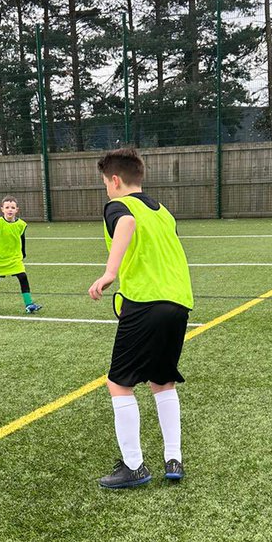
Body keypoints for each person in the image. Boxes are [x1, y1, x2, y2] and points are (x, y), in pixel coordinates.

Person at [88, 148, 193, 489]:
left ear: (115, 180)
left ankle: (134, 466)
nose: (106, 188)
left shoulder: (119, 206)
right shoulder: (162, 211)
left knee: (119, 382)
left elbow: (126, 224)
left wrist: (109, 273)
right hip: (178, 302)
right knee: (162, 381)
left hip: (146, 302)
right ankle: (173, 458)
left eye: (105, 182)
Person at [0, 196, 42, 313]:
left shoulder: (21, 224)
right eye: (7, 207)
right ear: (2, 209)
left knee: (23, 277)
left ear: (17, 210)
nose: (10, 210)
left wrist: (23, 252)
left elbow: (22, 238)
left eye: (12, 207)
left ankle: (29, 305)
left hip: (14, 258)